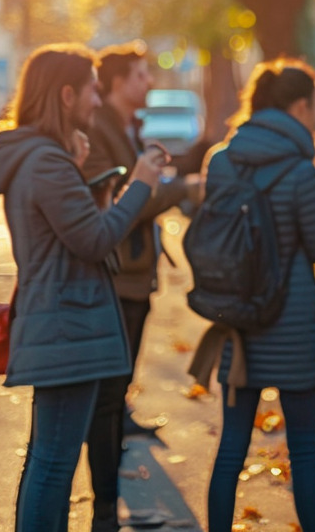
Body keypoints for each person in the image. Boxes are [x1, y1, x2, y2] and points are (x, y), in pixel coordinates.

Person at [0, 44, 166, 532]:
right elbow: (95, 240)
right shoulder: (45, 163)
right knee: (53, 466)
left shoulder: (41, 160)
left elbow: (72, 231)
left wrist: (94, 188)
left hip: (61, 319)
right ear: (66, 95)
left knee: (46, 460)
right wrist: (141, 184)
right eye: (91, 89)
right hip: (68, 322)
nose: (97, 100)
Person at [196, 58, 315, 532]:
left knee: (231, 448)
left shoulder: (222, 160)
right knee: (306, 452)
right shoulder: (299, 170)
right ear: (298, 106)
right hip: (291, 327)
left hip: (240, 322)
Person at [82, 42, 196, 531]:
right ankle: (104, 509)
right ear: (114, 84)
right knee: (106, 396)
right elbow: (126, 203)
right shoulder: (101, 129)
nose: (149, 83)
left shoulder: (125, 127)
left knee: (117, 387)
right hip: (119, 275)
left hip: (135, 273)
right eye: (140, 75)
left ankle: (109, 492)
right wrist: (181, 188)